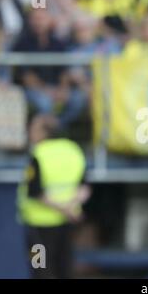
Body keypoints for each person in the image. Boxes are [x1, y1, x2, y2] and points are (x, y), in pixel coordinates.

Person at [18, 115, 91, 279]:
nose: (30, 133)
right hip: (68, 221)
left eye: (33, 129)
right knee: (64, 267)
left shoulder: (38, 154)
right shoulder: (74, 150)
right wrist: (69, 208)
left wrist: (62, 208)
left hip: (38, 224)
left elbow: (35, 193)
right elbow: (85, 188)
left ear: (44, 132)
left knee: (39, 267)